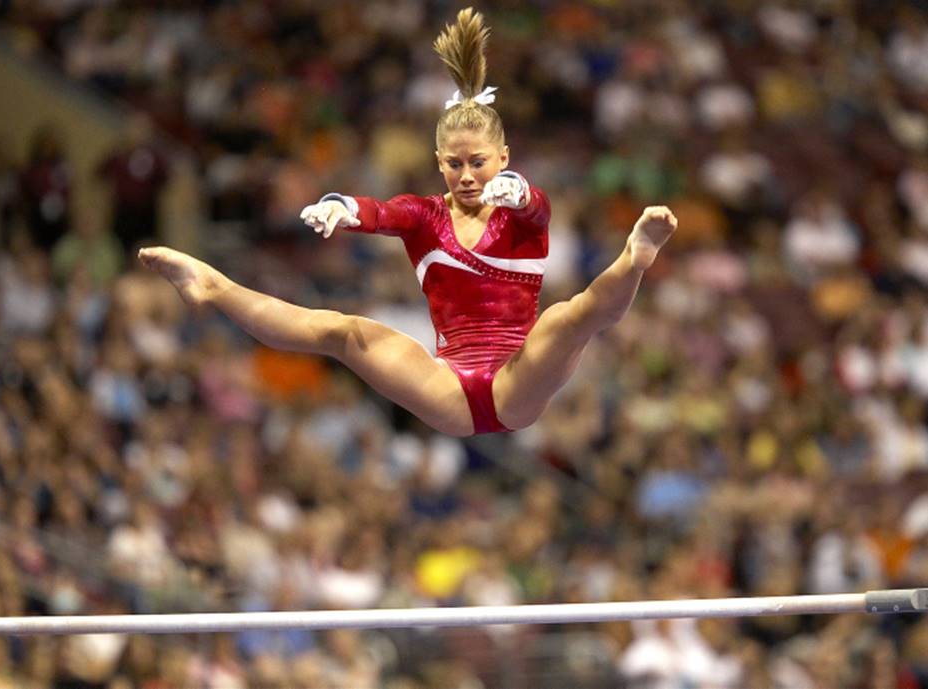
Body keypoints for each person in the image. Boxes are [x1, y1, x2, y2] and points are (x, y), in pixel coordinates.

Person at [138, 8, 676, 437]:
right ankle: (213, 288)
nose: (468, 175)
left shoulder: (524, 210)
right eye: (455, 164)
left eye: (480, 163)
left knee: (568, 317)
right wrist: (342, 207)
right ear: (440, 163)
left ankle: (634, 259)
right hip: (445, 386)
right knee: (344, 332)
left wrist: (519, 195)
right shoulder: (426, 215)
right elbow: (382, 213)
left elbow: (535, 207)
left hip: (516, 382)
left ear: (504, 157)